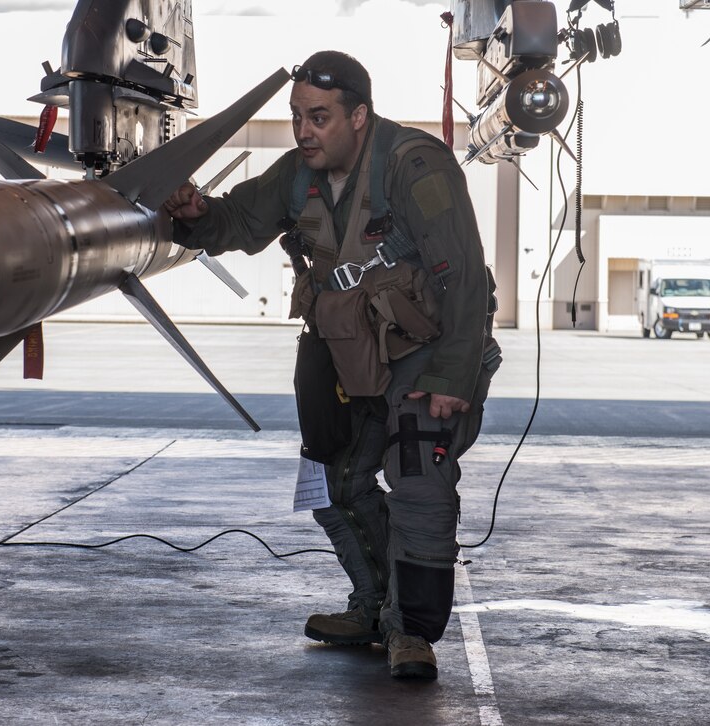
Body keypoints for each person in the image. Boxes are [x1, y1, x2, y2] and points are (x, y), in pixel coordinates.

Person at [164, 51, 501, 680]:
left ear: (359, 116)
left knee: (417, 481)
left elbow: (461, 274)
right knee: (330, 481)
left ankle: (412, 633)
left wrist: (451, 378)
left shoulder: (415, 166)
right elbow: (240, 219)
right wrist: (197, 215)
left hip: (425, 352)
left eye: (318, 117)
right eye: (297, 116)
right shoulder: (300, 173)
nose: (303, 131)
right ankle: (373, 604)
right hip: (347, 351)